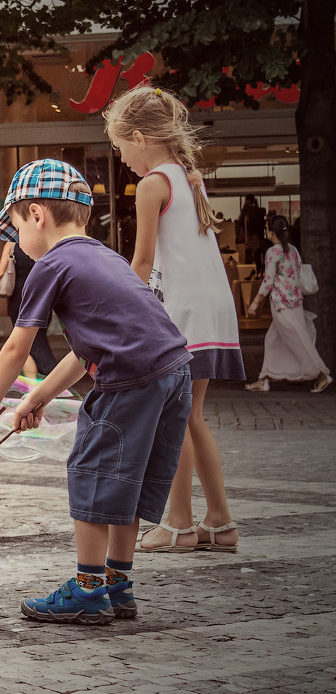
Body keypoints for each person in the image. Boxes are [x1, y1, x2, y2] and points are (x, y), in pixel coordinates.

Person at [0, 158, 193, 625]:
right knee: (125, 480)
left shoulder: (51, 264)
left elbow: (15, 346)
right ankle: (118, 582)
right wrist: (38, 397)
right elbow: (84, 352)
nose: (18, 245)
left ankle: (89, 590)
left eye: (13, 230)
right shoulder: (104, 256)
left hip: (130, 381)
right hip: (173, 372)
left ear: (36, 215)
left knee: (91, 473)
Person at [102, 87, 245, 554]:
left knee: (179, 418)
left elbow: (141, 261)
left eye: (121, 149)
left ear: (140, 138)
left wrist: (118, 309)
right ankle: (219, 523)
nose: (122, 160)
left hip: (183, 312)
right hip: (210, 309)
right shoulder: (188, 177)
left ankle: (180, 525)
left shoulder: (151, 185)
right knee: (191, 418)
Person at [246, 215, 331, 394]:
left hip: (281, 304)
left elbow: (268, 281)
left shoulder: (272, 252)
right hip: (295, 302)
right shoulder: (292, 250)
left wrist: (255, 303)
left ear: (271, 232)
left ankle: (322, 374)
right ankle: (264, 379)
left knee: (298, 341)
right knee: (273, 340)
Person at [0, 241, 56, 377]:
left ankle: (53, 377)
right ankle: (33, 384)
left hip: (20, 299)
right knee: (28, 344)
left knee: (28, 343)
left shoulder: (12, 244)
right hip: (42, 297)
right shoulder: (43, 242)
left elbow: (0, 272)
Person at [239, 194, 267, 275]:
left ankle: (253, 272)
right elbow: (262, 223)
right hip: (257, 235)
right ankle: (259, 270)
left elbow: (242, 223)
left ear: (248, 200)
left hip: (250, 235)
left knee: (250, 253)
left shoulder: (246, 211)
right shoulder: (257, 210)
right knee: (257, 253)